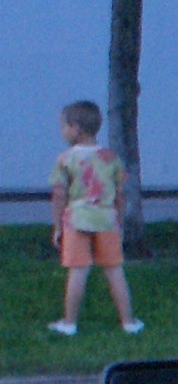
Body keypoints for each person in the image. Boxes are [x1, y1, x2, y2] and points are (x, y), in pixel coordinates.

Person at [47, 100, 136, 338]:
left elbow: (59, 194)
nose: (62, 131)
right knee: (114, 270)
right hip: (107, 220)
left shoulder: (65, 159)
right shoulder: (111, 158)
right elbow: (121, 193)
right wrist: (119, 221)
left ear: (76, 128)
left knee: (78, 271)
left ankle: (69, 323)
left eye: (64, 126)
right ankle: (128, 322)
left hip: (77, 220)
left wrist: (58, 226)